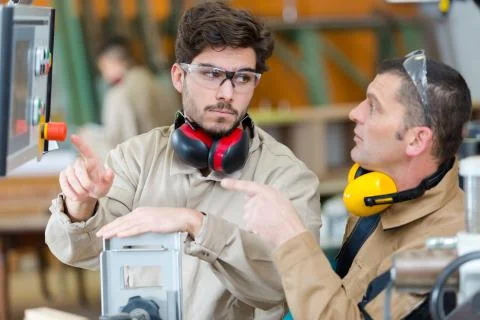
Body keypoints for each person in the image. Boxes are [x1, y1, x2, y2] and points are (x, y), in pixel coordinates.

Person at [45, 2, 322, 319]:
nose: (227, 93)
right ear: (178, 76)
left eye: (242, 78)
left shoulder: (287, 178)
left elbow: (292, 289)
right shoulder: (136, 157)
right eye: (211, 74)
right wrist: (82, 205)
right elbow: (81, 251)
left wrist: (200, 225)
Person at [222, 50, 472, 319]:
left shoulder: (441, 254)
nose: (355, 113)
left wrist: (289, 236)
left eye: (373, 107)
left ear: (416, 140)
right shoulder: (379, 197)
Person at [77, 36, 177, 162]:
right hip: (170, 161)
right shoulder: (158, 83)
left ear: (113, 61)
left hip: (142, 169)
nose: (104, 75)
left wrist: (86, 136)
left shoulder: (119, 93)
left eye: (103, 67)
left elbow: (118, 145)